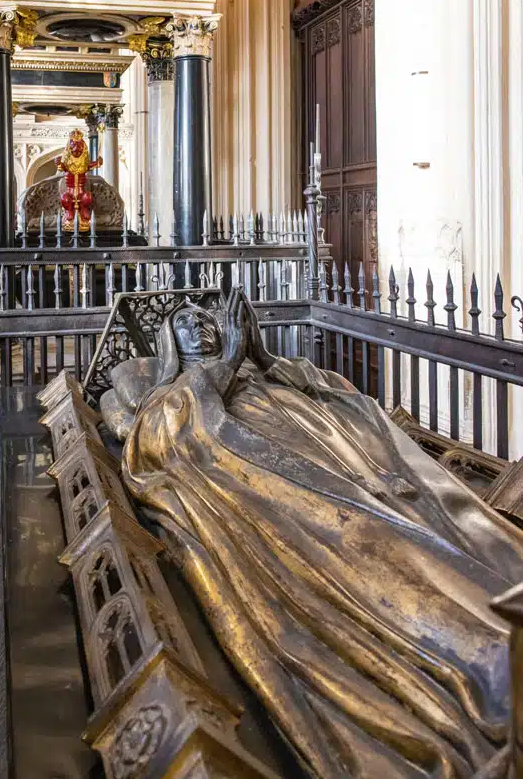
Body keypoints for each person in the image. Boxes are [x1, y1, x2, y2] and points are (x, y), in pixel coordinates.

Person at [98, 290, 523, 779]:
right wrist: (226, 364)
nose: (201, 326)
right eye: (185, 324)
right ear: (168, 345)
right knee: (373, 539)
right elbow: (155, 441)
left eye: (205, 317)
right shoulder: (170, 395)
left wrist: (260, 358)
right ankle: (490, 659)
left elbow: (343, 394)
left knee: (448, 518)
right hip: (279, 484)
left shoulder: (269, 372)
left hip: (353, 461)